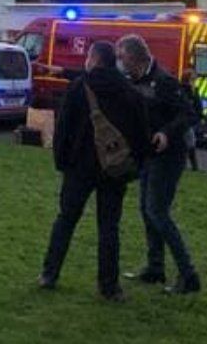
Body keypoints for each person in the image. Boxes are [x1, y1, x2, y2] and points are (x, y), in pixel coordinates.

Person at [39, 41, 149, 302]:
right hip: (114, 169)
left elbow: (63, 127)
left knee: (66, 220)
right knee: (109, 227)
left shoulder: (80, 87)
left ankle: (49, 274)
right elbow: (140, 132)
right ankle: (109, 286)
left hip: (79, 166)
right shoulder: (128, 91)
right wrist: (133, 165)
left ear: (94, 59)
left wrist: (61, 161)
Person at [117, 34, 202, 295]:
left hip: (169, 155)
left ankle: (188, 274)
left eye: (122, 57)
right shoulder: (133, 80)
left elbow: (189, 114)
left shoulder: (163, 81)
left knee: (157, 211)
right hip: (148, 155)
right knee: (146, 210)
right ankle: (155, 267)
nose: (120, 62)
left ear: (134, 57)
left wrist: (166, 133)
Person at [180, 69, 203, 172]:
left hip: (191, 120)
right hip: (184, 120)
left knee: (188, 142)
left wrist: (200, 116)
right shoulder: (183, 90)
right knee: (190, 142)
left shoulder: (194, 90)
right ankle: (193, 167)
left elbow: (198, 105)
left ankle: (187, 166)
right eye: (193, 79)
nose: (194, 81)